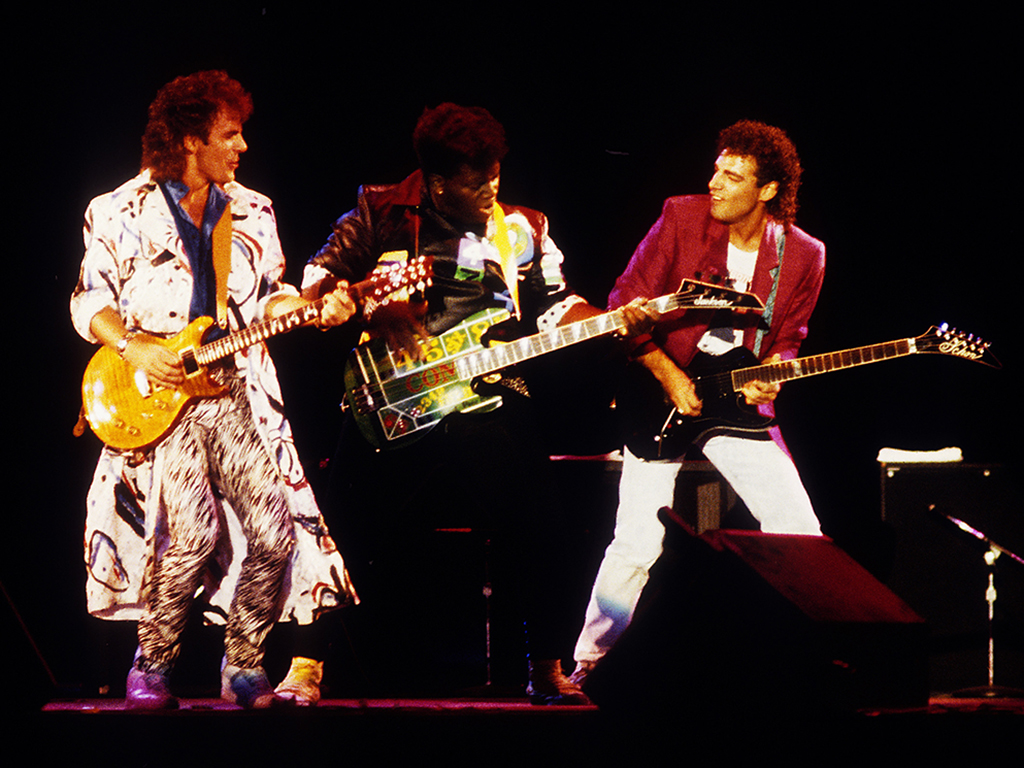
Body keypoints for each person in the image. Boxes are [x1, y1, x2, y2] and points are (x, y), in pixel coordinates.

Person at [299, 103, 647, 705]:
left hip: (489, 390)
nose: (490, 187)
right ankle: (305, 664)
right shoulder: (380, 209)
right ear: (437, 182)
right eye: (474, 178)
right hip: (391, 396)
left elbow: (556, 305)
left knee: (539, 522)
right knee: (341, 526)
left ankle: (546, 667)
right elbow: (316, 279)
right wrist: (361, 303)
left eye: (495, 173)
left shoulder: (524, 228)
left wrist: (613, 322)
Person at [71, 71, 357, 710]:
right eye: (231, 134)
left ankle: (246, 663)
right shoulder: (115, 210)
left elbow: (270, 296)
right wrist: (134, 344)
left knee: (276, 531)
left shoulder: (252, 209)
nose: (243, 146)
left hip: (233, 391)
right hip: (163, 397)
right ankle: (152, 667)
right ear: (192, 140)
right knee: (190, 536)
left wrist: (313, 306)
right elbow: (89, 301)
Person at [571, 120, 825, 685]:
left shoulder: (805, 255)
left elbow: (790, 339)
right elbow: (624, 304)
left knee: (799, 529)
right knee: (638, 538)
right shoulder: (682, 216)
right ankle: (593, 661)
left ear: (767, 192)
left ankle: (807, 658)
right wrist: (666, 374)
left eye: (732, 176)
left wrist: (774, 376)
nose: (714, 183)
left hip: (735, 403)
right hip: (659, 394)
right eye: (716, 168)